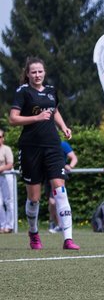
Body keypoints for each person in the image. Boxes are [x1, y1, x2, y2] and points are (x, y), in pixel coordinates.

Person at [7, 57, 79, 250]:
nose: (37, 75)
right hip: (30, 148)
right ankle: (33, 233)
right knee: (34, 198)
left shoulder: (51, 91)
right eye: (33, 72)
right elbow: (13, 119)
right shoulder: (23, 92)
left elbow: (54, 111)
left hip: (53, 146)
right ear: (28, 74)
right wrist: (36, 117)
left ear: (44, 72)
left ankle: (68, 239)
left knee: (60, 190)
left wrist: (64, 127)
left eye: (40, 71)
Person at [46, 140, 77, 233]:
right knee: (51, 203)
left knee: (54, 201)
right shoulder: (43, 144)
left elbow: (74, 158)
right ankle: (55, 222)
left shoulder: (62, 144)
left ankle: (61, 225)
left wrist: (70, 166)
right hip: (47, 176)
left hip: (58, 175)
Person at [0, 129, 14, 233]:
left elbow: (10, 164)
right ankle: (2, 225)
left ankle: (9, 225)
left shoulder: (6, 149)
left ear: (3, 138)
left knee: (8, 201)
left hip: (6, 176)